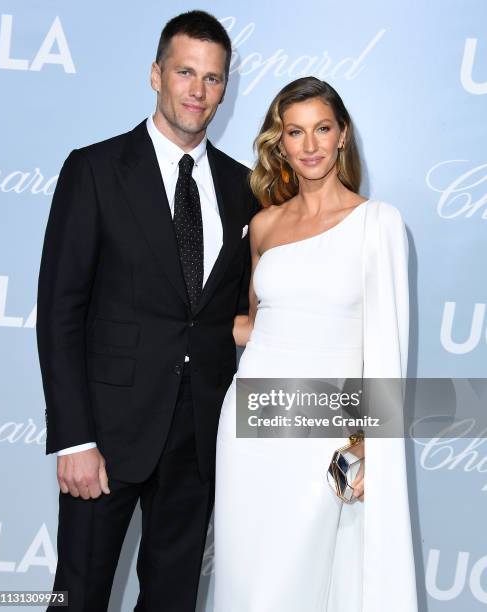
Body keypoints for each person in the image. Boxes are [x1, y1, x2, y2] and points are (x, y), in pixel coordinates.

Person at [36, 10, 258, 612]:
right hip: (105, 438)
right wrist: (74, 438)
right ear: (155, 74)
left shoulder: (245, 189)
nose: (198, 90)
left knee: (172, 599)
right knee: (74, 595)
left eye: (213, 78)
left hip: (198, 441)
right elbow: (60, 312)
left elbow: (234, 316)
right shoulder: (96, 170)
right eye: (185, 72)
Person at [213, 77, 418, 611]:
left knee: (308, 584)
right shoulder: (263, 226)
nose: (310, 146)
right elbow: (257, 329)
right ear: (278, 144)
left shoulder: (379, 224)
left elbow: (388, 349)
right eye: (294, 132)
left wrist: (369, 442)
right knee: (249, 584)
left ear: (342, 135)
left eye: (322, 129)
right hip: (251, 425)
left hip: (326, 430)